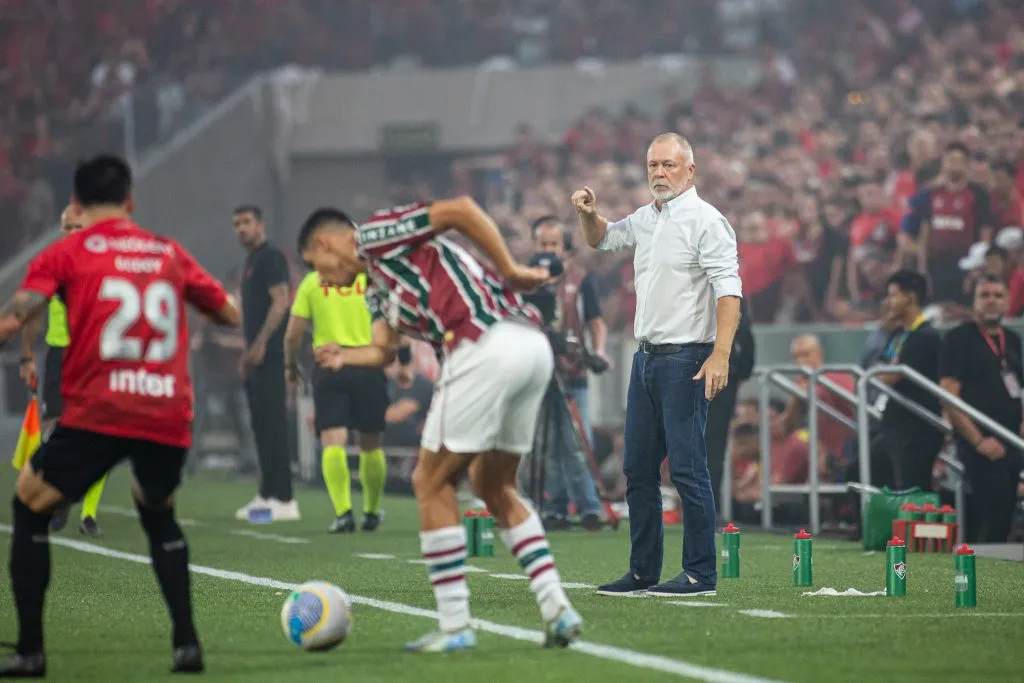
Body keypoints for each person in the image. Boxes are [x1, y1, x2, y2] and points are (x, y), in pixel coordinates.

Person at [297, 198, 582, 653]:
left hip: (484, 342)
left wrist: (507, 267)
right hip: (527, 346)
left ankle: (454, 624)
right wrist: (342, 355)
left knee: (429, 481)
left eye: (318, 268)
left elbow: (461, 210)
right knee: (494, 485)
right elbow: (384, 351)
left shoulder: (372, 237)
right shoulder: (375, 287)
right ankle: (557, 608)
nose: (324, 281)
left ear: (326, 243)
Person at [0, 154, 240, 676]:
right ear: (131, 201)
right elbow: (228, 314)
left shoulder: (65, 253)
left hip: (98, 411)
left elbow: (15, 316)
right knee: (157, 511)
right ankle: (186, 645)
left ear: (77, 204)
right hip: (166, 412)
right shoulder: (168, 253)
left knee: (29, 505)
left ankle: (31, 650)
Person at [573, 132, 743, 597]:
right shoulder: (647, 218)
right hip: (645, 358)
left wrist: (720, 355)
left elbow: (730, 292)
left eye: (669, 165)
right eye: (653, 166)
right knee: (638, 470)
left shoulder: (708, 221)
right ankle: (644, 572)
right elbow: (603, 239)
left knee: (688, 469)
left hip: (688, 357)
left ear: (690, 171)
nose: (659, 174)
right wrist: (589, 214)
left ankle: (700, 574)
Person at [283, 259, 396, 533]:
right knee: (371, 442)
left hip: (329, 365)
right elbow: (394, 321)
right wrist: (400, 360)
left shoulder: (312, 282)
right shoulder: (369, 279)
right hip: (368, 362)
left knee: (333, 440)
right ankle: (371, 511)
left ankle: (343, 513)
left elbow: (293, 334)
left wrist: (290, 365)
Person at [19, 205, 108, 537]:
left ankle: (88, 514)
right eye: (67, 227)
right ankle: (56, 498)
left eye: (78, 227)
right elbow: (33, 311)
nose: (72, 233)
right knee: (54, 430)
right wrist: (27, 356)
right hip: (60, 355)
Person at [531, 215, 605, 530]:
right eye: (543, 244)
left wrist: (598, 352)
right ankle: (555, 506)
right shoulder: (527, 278)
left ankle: (589, 506)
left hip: (572, 370)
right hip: (538, 371)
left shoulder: (581, 279)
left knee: (577, 441)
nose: (549, 250)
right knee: (546, 444)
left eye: (554, 244)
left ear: (566, 249)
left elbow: (596, 321)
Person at [939, 274, 1023, 543]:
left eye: (998, 296)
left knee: (1008, 513)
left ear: (1008, 301)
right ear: (974, 300)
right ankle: (981, 576)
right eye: (984, 295)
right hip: (980, 443)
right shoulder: (958, 338)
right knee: (993, 513)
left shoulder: (1013, 340)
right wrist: (977, 440)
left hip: (1013, 441)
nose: (991, 301)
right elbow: (949, 396)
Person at [232, 205, 299, 522]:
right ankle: (267, 493)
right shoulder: (251, 261)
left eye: (247, 222)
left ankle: (285, 498)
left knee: (274, 425)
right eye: (237, 224)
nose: (241, 228)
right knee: (260, 426)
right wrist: (247, 352)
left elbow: (281, 300)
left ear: (261, 224)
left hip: (271, 356)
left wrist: (260, 345)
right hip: (256, 356)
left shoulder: (271, 256)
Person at [871, 269, 943, 490]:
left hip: (916, 430)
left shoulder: (927, 337)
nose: (887, 302)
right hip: (893, 425)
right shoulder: (898, 334)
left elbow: (891, 376)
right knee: (860, 473)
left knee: (912, 489)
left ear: (910, 297)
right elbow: (879, 368)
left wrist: (886, 372)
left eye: (893, 295)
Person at [704, 296, 754, 512]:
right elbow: (745, 334)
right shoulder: (733, 289)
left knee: (697, 443)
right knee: (714, 446)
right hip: (723, 376)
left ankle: (700, 506)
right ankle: (707, 507)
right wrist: (741, 369)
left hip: (696, 374)